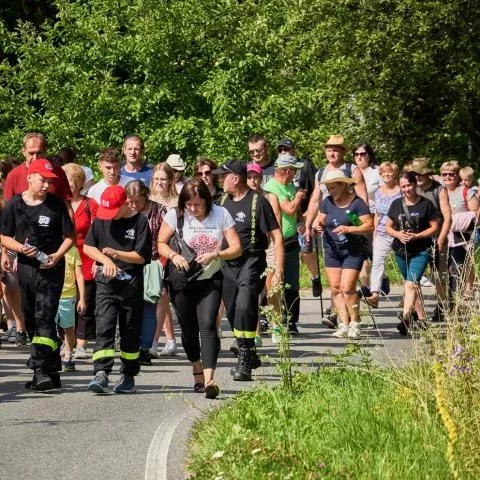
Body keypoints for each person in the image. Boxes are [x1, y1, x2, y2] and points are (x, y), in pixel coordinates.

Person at [157, 179, 241, 398]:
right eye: (189, 205)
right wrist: (174, 256)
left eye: (198, 204)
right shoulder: (176, 215)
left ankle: (210, 378)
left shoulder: (221, 214)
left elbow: (236, 248)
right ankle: (197, 369)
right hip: (182, 280)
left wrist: (217, 254)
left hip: (211, 278)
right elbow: (160, 243)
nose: (193, 209)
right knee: (188, 329)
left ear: (207, 201)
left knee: (208, 326)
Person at [1, 159, 75, 390]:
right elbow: (4, 236)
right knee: (32, 318)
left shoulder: (56, 204)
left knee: (45, 314)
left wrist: (56, 256)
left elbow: (70, 237)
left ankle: (39, 369)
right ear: (30, 177)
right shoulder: (14, 205)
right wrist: (20, 248)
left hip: (51, 269)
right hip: (26, 268)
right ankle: (52, 371)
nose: (46, 185)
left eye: (49, 181)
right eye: (42, 180)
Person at [214, 160, 283, 381]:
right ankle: (250, 352)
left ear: (235, 178)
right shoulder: (221, 202)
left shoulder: (259, 202)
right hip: (227, 264)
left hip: (251, 261)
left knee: (245, 305)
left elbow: (277, 235)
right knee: (233, 311)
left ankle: (244, 359)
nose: (220, 180)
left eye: (223, 176)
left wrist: (278, 267)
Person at [84, 185, 152, 394]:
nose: (109, 217)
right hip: (106, 283)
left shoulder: (140, 221)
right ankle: (101, 372)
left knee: (130, 329)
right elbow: (88, 247)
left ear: (125, 204)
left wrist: (118, 254)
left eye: (113, 211)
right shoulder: (101, 220)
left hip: (130, 283)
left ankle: (128, 374)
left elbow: (141, 256)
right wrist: (105, 259)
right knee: (104, 326)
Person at [305, 135, 368, 327]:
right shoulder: (321, 173)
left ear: (342, 152)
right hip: (329, 224)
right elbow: (315, 200)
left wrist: (353, 224)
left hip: (350, 217)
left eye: (336, 149)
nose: (332, 153)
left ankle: (351, 317)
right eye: (329, 149)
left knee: (348, 282)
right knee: (335, 282)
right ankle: (341, 318)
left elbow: (362, 198)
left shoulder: (352, 170)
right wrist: (309, 224)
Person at [312, 170, 373, 338]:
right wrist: (318, 226)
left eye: (333, 188)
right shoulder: (328, 202)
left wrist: (350, 228)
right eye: (328, 188)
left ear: (344, 185)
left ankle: (355, 322)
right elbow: (321, 220)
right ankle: (343, 323)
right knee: (336, 288)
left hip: (352, 250)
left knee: (348, 287)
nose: (331, 191)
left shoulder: (357, 204)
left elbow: (369, 225)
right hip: (332, 249)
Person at [385, 172, 440, 335]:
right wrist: (398, 234)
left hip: (421, 250)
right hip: (401, 251)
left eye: (409, 185)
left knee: (410, 284)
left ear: (415, 184)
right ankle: (422, 320)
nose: (407, 189)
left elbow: (434, 226)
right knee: (412, 286)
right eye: (403, 186)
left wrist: (417, 235)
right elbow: (388, 226)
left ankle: (406, 317)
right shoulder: (396, 204)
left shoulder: (426, 204)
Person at [124, 180, 167, 365]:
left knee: (149, 306)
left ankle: (145, 347)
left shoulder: (161, 212)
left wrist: (162, 263)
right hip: (129, 263)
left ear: (146, 197)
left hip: (153, 263)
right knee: (130, 307)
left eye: (137, 202)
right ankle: (130, 344)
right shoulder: (125, 212)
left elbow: (169, 238)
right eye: (130, 202)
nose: (133, 205)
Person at [263, 155, 305, 334]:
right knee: (274, 281)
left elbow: (295, 212)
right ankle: (270, 317)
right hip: (277, 241)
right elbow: (288, 208)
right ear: (287, 170)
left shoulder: (289, 185)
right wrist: (301, 197)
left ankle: (291, 320)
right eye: (294, 169)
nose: (295, 173)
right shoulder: (272, 188)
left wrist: (301, 220)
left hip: (292, 237)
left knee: (292, 281)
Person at [62, 163, 99, 359]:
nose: (69, 186)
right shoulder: (58, 204)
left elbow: (98, 232)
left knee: (85, 302)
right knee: (65, 301)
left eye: (72, 182)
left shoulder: (90, 204)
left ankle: (82, 343)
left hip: (86, 256)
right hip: (65, 256)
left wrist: (97, 259)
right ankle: (67, 341)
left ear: (80, 183)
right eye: (65, 182)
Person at [275, 138, 320, 297]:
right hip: (289, 216)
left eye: (286, 149)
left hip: (305, 212)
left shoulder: (305, 164)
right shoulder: (277, 168)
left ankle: (315, 276)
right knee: (295, 254)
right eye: (280, 150)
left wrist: (311, 216)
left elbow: (316, 190)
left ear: (294, 150)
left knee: (307, 252)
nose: (283, 152)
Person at [409, 158, 451, 321]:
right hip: (416, 238)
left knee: (439, 274)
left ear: (428, 174)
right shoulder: (411, 188)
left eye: (420, 174)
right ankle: (414, 309)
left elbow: (447, 217)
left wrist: (441, 238)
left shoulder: (439, 189)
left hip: (436, 236)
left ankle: (442, 306)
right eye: (415, 174)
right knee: (414, 276)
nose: (418, 177)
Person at [246, 162, 283, 344]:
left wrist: (278, 257)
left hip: (269, 246)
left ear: (261, 179)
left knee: (272, 289)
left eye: (256, 177)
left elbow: (277, 229)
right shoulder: (243, 198)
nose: (253, 181)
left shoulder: (270, 197)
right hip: (252, 248)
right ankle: (256, 332)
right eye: (249, 177)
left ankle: (276, 326)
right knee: (253, 291)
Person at [148, 162, 179, 357]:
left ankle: (153, 342)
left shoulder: (177, 202)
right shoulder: (147, 199)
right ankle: (168, 339)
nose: (160, 182)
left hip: (170, 252)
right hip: (149, 253)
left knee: (161, 297)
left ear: (170, 180)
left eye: (163, 179)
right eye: (157, 178)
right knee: (160, 298)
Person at [440, 161, 479, 297]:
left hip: (463, 235)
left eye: (451, 174)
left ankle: (463, 293)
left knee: (462, 265)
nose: (447, 177)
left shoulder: (466, 192)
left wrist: (458, 220)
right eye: (444, 174)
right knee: (444, 266)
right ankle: (449, 295)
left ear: (457, 176)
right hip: (443, 235)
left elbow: (477, 212)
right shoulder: (439, 191)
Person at [365, 162, 401, 308]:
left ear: (395, 174)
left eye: (390, 171)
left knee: (401, 264)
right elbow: (378, 214)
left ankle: (407, 294)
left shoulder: (401, 191)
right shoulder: (378, 192)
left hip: (398, 232)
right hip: (381, 232)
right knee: (377, 263)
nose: (387, 174)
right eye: (384, 172)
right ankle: (375, 294)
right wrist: (374, 231)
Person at [353, 143, 380, 295]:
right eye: (356, 154)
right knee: (361, 248)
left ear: (369, 155)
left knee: (373, 250)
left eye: (362, 154)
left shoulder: (376, 172)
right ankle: (365, 286)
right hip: (354, 214)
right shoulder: (351, 171)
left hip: (374, 214)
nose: (359, 157)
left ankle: (381, 279)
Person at [56, 245, 86, 372]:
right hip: (50, 293)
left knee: (68, 328)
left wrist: (82, 298)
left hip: (68, 295)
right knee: (48, 327)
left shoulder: (73, 250)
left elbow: (79, 275)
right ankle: (49, 356)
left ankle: (68, 357)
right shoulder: (49, 247)